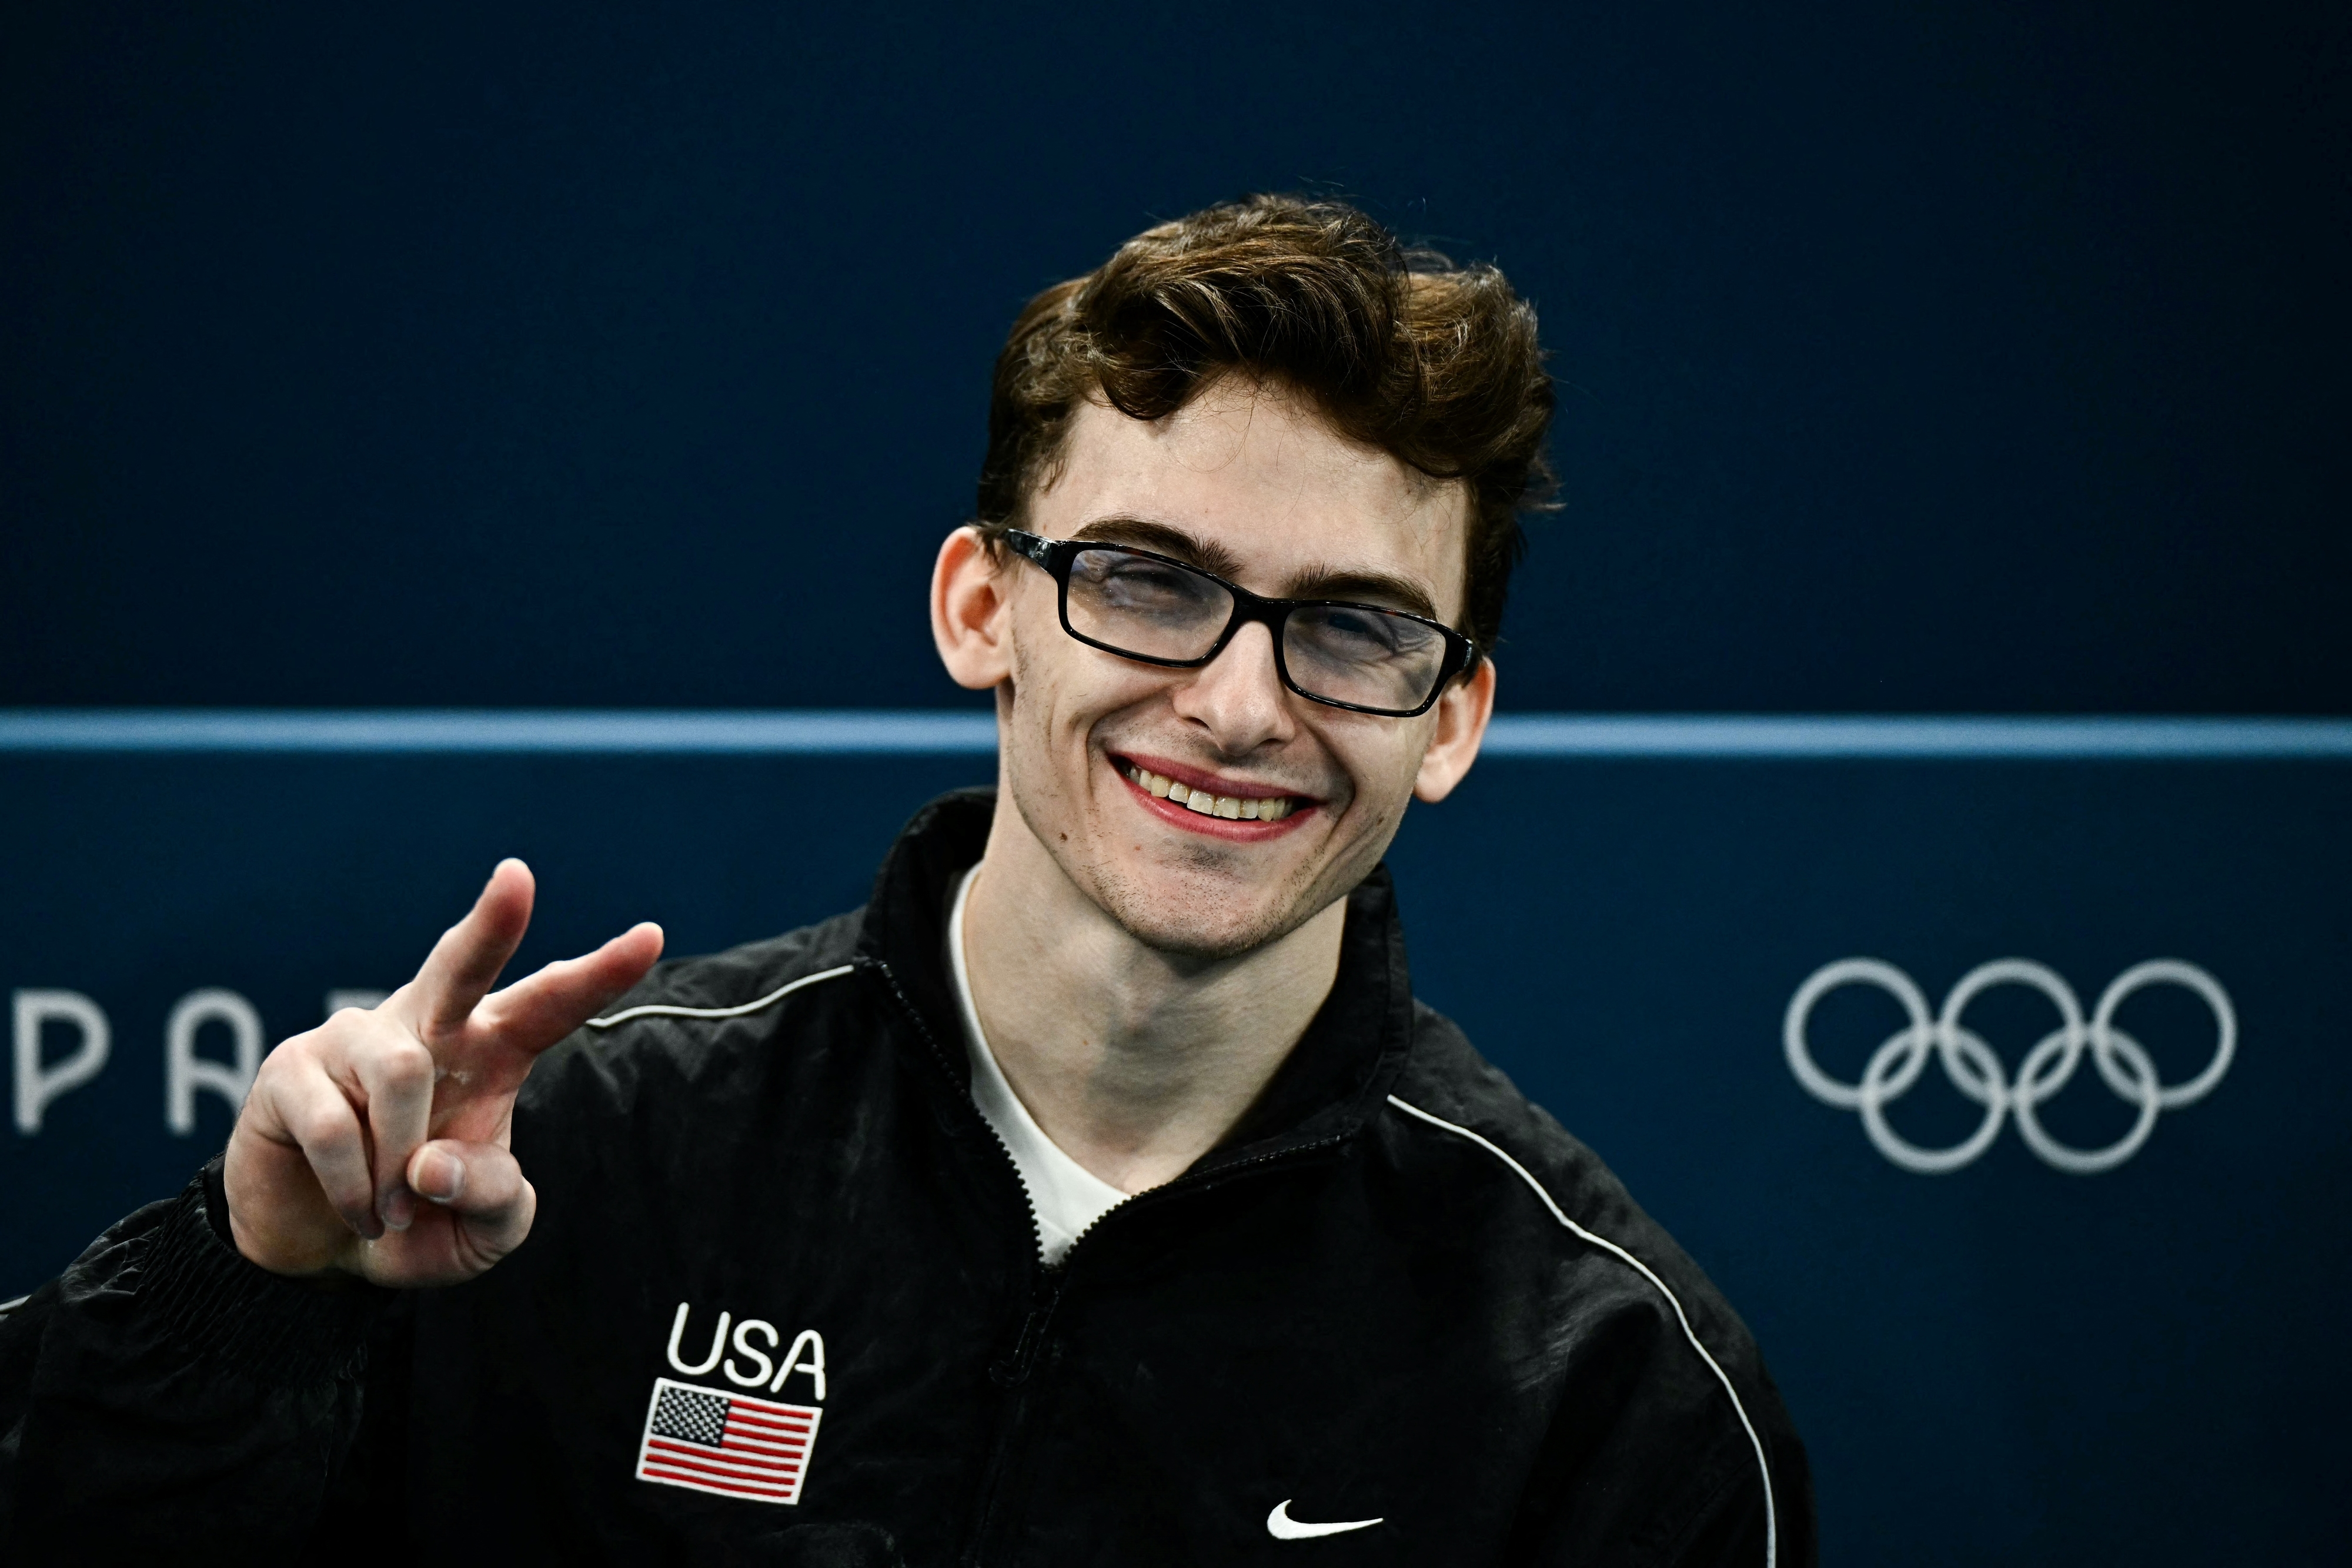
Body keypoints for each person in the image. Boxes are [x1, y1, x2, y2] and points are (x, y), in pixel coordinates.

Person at [0, 195, 1813, 1566]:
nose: (1240, 703)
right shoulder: (562, 1167)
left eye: (1353, 626)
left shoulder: (1602, 1390)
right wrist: (252, 1285)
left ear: (1453, 716)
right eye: (1149, 579)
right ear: (980, 605)